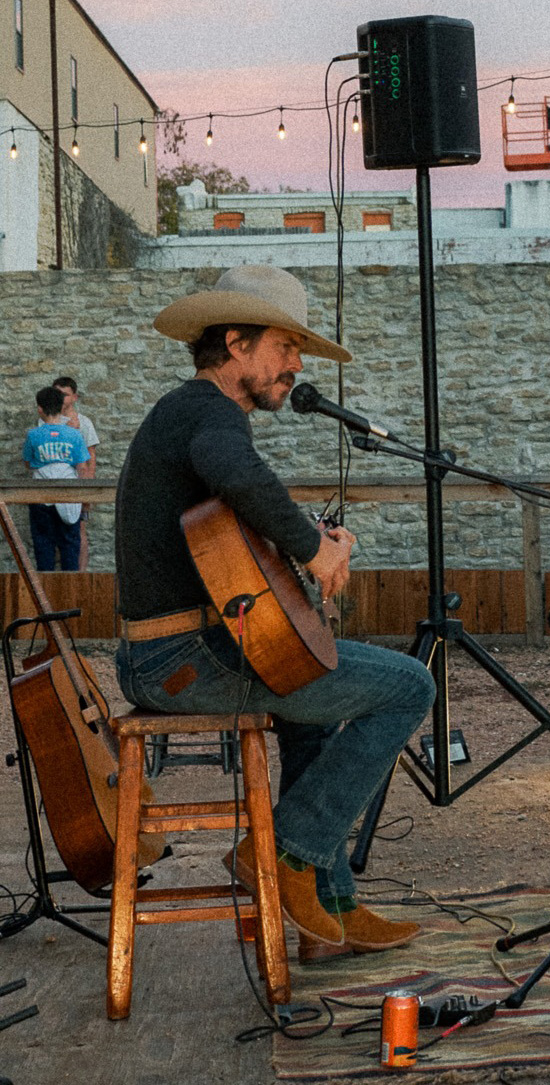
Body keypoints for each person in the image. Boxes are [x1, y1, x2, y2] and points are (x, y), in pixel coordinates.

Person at [114, 265, 436, 963]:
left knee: (310, 721)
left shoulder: (190, 416)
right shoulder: (207, 412)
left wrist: (305, 539)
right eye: (285, 347)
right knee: (411, 685)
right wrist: (314, 549)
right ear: (235, 342)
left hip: (181, 656)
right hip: (181, 663)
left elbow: (227, 530)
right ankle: (286, 851)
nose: (295, 365)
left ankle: (334, 910)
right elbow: (239, 475)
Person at [23, 385, 90, 571]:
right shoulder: (74, 435)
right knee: (70, 545)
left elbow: (28, 462)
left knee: (43, 544)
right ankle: (70, 593)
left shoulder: (33, 435)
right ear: (62, 406)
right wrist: (85, 495)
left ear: (40, 409)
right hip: (69, 494)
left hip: (40, 494)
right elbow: (83, 467)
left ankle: (44, 592)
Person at [53, 375, 99, 570]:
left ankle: (79, 577)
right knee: (54, 532)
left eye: (64, 394)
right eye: (57, 394)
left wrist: (87, 490)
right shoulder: (47, 421)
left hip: (77, 485)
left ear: (74, 397)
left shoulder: (84, 423)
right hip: (52, 485)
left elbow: (91, 457)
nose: (60, 398)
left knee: (79, 531)